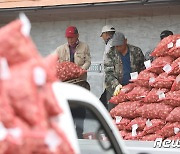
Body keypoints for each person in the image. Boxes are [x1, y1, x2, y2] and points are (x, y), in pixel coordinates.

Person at [54, 26, 91, 138]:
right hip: (66, 84)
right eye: (68, 38)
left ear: (77, 36)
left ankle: (79, 133)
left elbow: (88, 61)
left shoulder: (84, 47)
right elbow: (55, 64)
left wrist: (81, 70)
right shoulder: (60, 49)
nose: (70, 40)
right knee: (67, 109)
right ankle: (68, 134)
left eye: (72, 37)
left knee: (80, 108)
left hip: (80, 82)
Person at [104, 32, 145, 110]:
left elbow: (143, 68)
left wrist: (140, 82)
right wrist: (116, 85)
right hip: (115, 89)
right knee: (114, 112)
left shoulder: (136, 51)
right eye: (116, 46)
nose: (117, 48)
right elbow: (108, 72)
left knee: (133, 111)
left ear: (125, 41)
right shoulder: (110, 53)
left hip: (133, 88)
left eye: (120, 46)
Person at [99, 25, 116, 109]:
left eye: (102, 35)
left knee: (104, 103)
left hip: (112, 77)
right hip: (111, 77)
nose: (103, 38)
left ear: (106, 34)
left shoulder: (111, 44)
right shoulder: (112, 43)